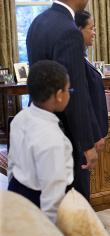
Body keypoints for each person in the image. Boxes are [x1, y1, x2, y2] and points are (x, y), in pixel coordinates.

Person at [26, 0, 99, 200]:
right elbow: (74, 93)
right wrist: (87, 143)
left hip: (39, 127)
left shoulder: (37, 22)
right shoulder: (69, 30)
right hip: (64, 134)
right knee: (73, 203)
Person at [8, 60, 74, 223]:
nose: (69, 94)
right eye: (68, 90)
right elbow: (53, 193)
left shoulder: (20, 118)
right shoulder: (52, 138)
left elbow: (12, 163)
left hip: (17, 190)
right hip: (39, 201)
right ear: (59, 96)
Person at [75, 10, 108, 153]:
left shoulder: (81, 56)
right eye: (91, 28)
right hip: (86, 136)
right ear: (78, 30)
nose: (94, 33)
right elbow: (82, 100)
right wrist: (93, 135)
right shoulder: (75, 60)